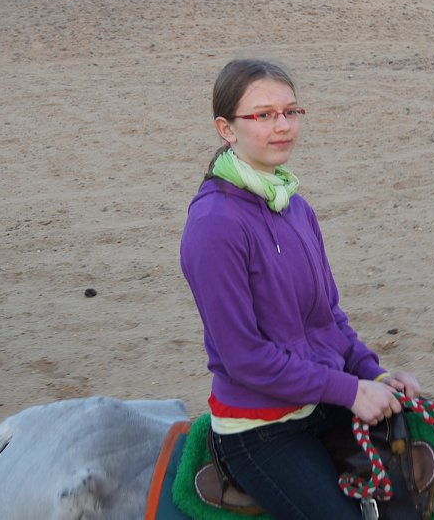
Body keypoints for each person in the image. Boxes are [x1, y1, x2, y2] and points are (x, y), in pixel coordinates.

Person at [180, 59, 421, 520]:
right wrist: (349, 391)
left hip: (322, 400)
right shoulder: (214, 225)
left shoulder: (295, 206)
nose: (283, 126)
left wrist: (373, 373)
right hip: (262, 429)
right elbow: (244, 357)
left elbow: (329, 318)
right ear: (226, 129)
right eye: (263, 115)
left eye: (291, 112)